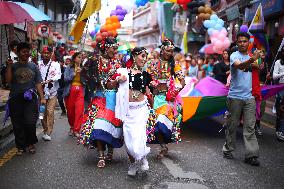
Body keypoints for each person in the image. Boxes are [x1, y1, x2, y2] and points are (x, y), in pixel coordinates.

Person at [78, 37, 123, 168]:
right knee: (99, 125)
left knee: (113, 126)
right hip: (99, 98)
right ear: (105, 47)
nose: (115, 51)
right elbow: (84, 77)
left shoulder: (118, 63)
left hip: (113, 99)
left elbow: (124, 81)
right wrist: (96, 81)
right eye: (113, 48)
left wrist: (119, 80)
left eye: (116, 48)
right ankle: (101, 155)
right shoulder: (93, 61)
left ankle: (110, 149)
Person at [222, 32, 260, 166]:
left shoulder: (252, 56)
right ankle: (228, 149)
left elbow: (257, 69)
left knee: (250, 127)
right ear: (237, 43)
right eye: (240, 41)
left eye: (245, 41)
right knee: (232, 126)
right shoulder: (234, 56)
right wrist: (252, 60)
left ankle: (252, 155)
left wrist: (258, 63)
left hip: (249, 98)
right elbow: (239, 66)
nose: (243, 43)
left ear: (248, 42)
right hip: (234, 98)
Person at [115, 47, 152, 176]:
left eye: (145, 56)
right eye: (142, 56)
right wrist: (118, 80)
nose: (144, 59)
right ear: (134, 56)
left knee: (140, 136)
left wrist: (155, 88)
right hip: (128, 110)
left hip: (141, 110)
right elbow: (109, 84)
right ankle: (135, 162)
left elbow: (148, 92)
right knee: (129, 139)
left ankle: (142, 158)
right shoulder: (123, 72)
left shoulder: (146, 75)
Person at [5, 42, 46, 155]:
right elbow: (8, 81)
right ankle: (20, 146)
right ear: (18, 52)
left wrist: (42, 97)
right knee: (17, 124)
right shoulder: (12, 66)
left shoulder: (34, 66)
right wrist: (8, 66)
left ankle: (30, 143)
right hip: (15, 98)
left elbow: (38, 83)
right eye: (23, 52)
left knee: (30, 122)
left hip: (30, 98)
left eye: (27, 52)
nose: (26, 54)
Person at [147, 38, 184, 159]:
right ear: (162, 50)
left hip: (168, 100)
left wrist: (175, 92)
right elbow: (146, 80)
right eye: (167, 50)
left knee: (161, 122)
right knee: (155, 126)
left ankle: (164, 146)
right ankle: (163, 146)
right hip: (155, 98)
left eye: (171, 51)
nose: (169, 53)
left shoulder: (176, 65)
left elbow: (182, 82)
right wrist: (151, 85)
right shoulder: (152, 64)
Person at [38, 46, 61, 141]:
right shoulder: (38, 64)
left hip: (52, 93)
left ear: (51, 54)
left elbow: (58, 75)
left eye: (48, 53)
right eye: (44, 53)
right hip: (41, 94)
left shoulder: (56, 65)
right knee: (42, 113)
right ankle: (45, 129)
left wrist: (50, 80)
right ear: (41, 54)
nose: (46, 54)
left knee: (50, 112)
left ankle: (49, 132)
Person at [63, 52, 85, 137]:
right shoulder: (69, 67)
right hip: (70, 91)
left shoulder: (83, 68)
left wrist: (82, 74)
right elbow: (65, 79)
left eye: (81, 57)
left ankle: (76, 130)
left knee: (79, 111)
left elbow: (86, 81)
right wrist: (74, 74)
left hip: (80, 91)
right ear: (75, 58)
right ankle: (72, 127)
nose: (80, 59)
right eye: (79, 57)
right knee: (70, 112)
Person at [273, 46, 284, 141]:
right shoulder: (278, 62)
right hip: (281, 88)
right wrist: (282, 74)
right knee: (280, 110)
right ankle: (279, 130)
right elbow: (274, 76)